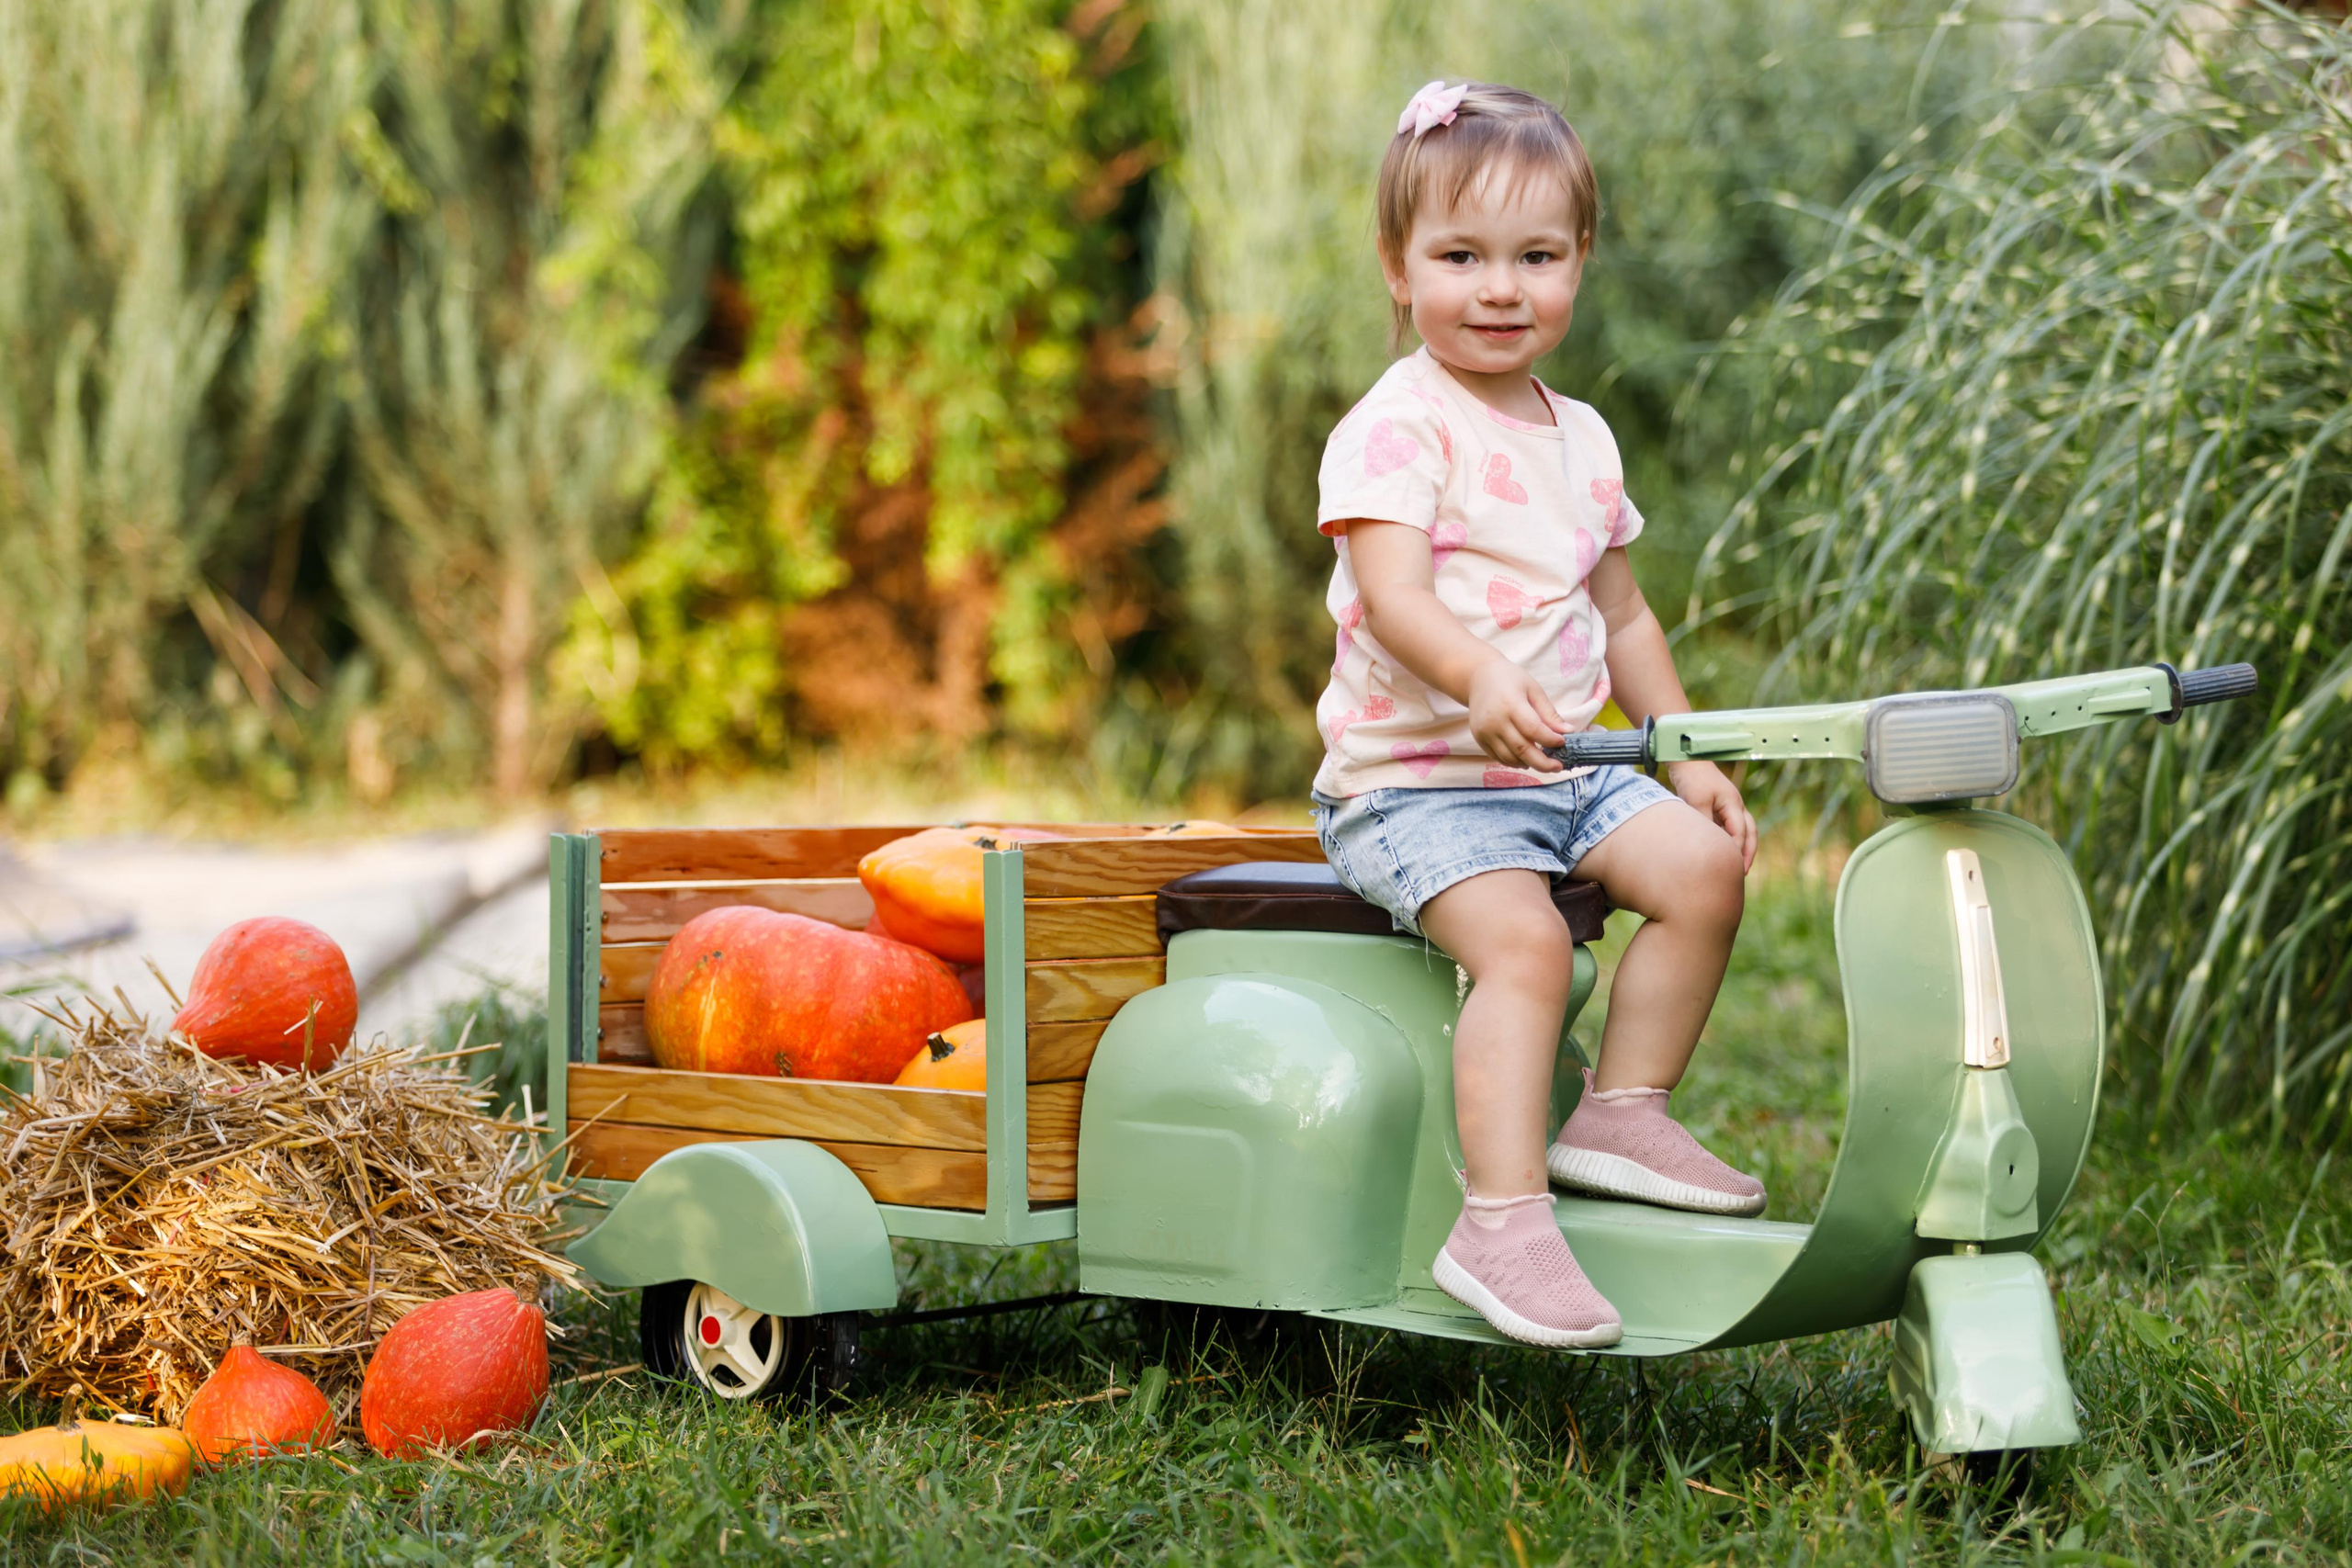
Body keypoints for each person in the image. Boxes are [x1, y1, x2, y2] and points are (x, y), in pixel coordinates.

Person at [1310, 80, 1764, 1348]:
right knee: (1527, 946)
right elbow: (1394, 597)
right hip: (1414, 788)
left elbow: (1623, 618)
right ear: (1399, 269)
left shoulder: (1584, 439)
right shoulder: (1396, 429)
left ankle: (1622, 1110)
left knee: (1702, 870)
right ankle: (1499, 1219)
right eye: (1462, 257)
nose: (1500, 288)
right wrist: (1479, 677)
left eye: (1536, 257)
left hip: (1565, 775)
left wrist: (1683, 754)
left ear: (1579, 264)